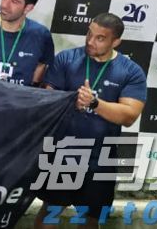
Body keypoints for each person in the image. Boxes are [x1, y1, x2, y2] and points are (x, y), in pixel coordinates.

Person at [34, 13, 147, 229]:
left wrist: (94, 103)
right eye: (89, 34)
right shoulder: (66, 59)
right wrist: (71, 102)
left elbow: (129, 116)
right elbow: (47, 99)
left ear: (116, 42)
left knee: (90, 218)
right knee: (51, 211)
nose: (90, 41)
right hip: (63, 151)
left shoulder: (131, 71)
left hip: (100, 158)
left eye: (100, 38)